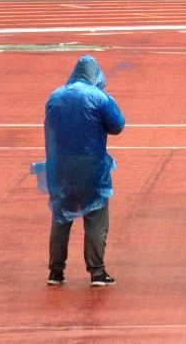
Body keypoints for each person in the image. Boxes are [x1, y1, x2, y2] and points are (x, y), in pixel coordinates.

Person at [43, 55, 125, 287]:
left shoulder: (55, 96)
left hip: (60, 166)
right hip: (91, 165)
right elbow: (117, 125)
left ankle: (56, 271)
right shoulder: (99, 97)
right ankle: (97, 272)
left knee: (61, 216)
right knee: (96, 215)